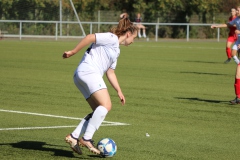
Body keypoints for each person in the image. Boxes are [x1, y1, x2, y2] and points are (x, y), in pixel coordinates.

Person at [63, 16, 138, 155]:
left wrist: (119, 91)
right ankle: (87, 138)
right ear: (128, 34)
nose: (133, 41)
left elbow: (110, 73)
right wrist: (73, 52)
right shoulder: (111, 38)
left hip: (81, 75)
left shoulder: (116, 50)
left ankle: (73, 137)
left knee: (98, 110)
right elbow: (90, 37)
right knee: (106, 106)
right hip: (89, 71)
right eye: (134, 37)